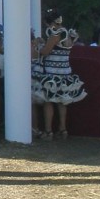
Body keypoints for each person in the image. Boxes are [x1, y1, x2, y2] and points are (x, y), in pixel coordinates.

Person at [32, 8, 87, 139]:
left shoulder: (55, 33)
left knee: (48, 101)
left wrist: (38, 46)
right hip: (64, 72)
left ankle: (48, 131)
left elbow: (46, 52)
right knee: (62, 101)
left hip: (51, 73)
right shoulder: (70, 33)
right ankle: (63, 129)